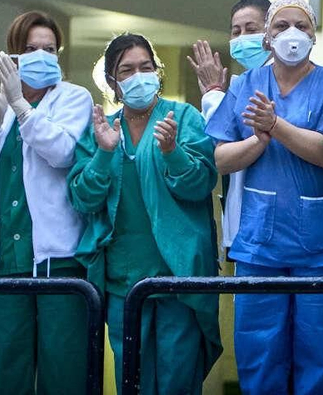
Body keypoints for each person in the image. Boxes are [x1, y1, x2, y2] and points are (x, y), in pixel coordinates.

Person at [206, 0, 323, 395]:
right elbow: (219, 157)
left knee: (321, 357)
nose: (292, 34)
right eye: (281, 26)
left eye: (301, 26)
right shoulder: (245, 84)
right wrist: (257, 142)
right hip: (259, 246)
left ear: (314, 35)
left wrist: (275, 125)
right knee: (260, 356)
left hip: (321, 248)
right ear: (267, 37)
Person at [68, 33, 222, 394]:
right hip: (124, 281)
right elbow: (82, 197)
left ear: (157, 71)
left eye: (146, 67)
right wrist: (105, 153)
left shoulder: (183, 117)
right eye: (127, 70)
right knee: (132, 379)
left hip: (177, 275)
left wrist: (172, 152)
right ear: (112, 82)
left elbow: (201, 184)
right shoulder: (101, 129)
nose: (139, 76)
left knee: (177, 379)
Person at [0, 11, 94, 395]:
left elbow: (63, 152)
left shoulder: (74, 98)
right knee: (11, 366)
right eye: (31, 48)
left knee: (63, 369)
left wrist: (22, 107)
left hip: (58, 257)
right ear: (12, 55)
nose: (41, 56)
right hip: (5, 258)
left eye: (50, 49)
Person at [190, 0, 271, 254]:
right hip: (247, 229)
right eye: (236, 32)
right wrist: (216, 94)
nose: (242, 38)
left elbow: (233, 135)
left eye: (251, 30)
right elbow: (219, 149)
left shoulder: (277, 80)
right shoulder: (240, 84)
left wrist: (214, 94)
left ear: (271, 33)